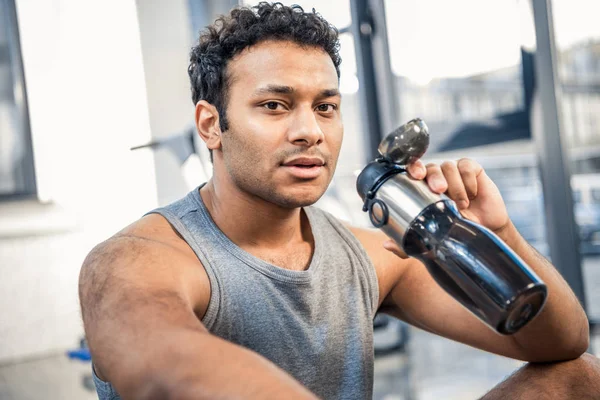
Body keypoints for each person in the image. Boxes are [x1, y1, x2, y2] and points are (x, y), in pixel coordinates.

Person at [78, 2, 600, 399]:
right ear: (211, 125)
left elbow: (562, 341)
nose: (310, 131)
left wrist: (496, 238)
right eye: (275, 105)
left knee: (579, 378)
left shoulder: (371, 256)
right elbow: (170, 370)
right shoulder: (134, 261)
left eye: (325, 106)